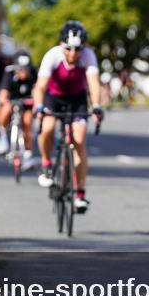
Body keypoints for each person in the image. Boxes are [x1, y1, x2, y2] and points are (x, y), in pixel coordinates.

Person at [33, 21, 105, 213]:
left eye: (77, 49)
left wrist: (96, 106)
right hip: (53, 98)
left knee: (79, 140)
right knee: (47, 128)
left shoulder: (88, 56)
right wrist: (39, 106)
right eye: (69, 49)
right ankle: (47, 163)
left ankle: (80, 192)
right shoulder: (52, 56)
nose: (73, 54)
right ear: (61, 44)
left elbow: (94, 83)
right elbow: (40, 86)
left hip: (77, 99)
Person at [0, 50, 38, 167]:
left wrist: (36, 102)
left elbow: (37, 90)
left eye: (25, 69)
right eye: (20, 69)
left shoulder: (34, 73)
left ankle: (28, 155)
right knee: (5, 109)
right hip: (12, 101)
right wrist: (2, 101)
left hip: (27, 103)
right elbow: (3, 92)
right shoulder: (9, 73)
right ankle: (3, 136)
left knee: (27, 123)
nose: (23, 72)